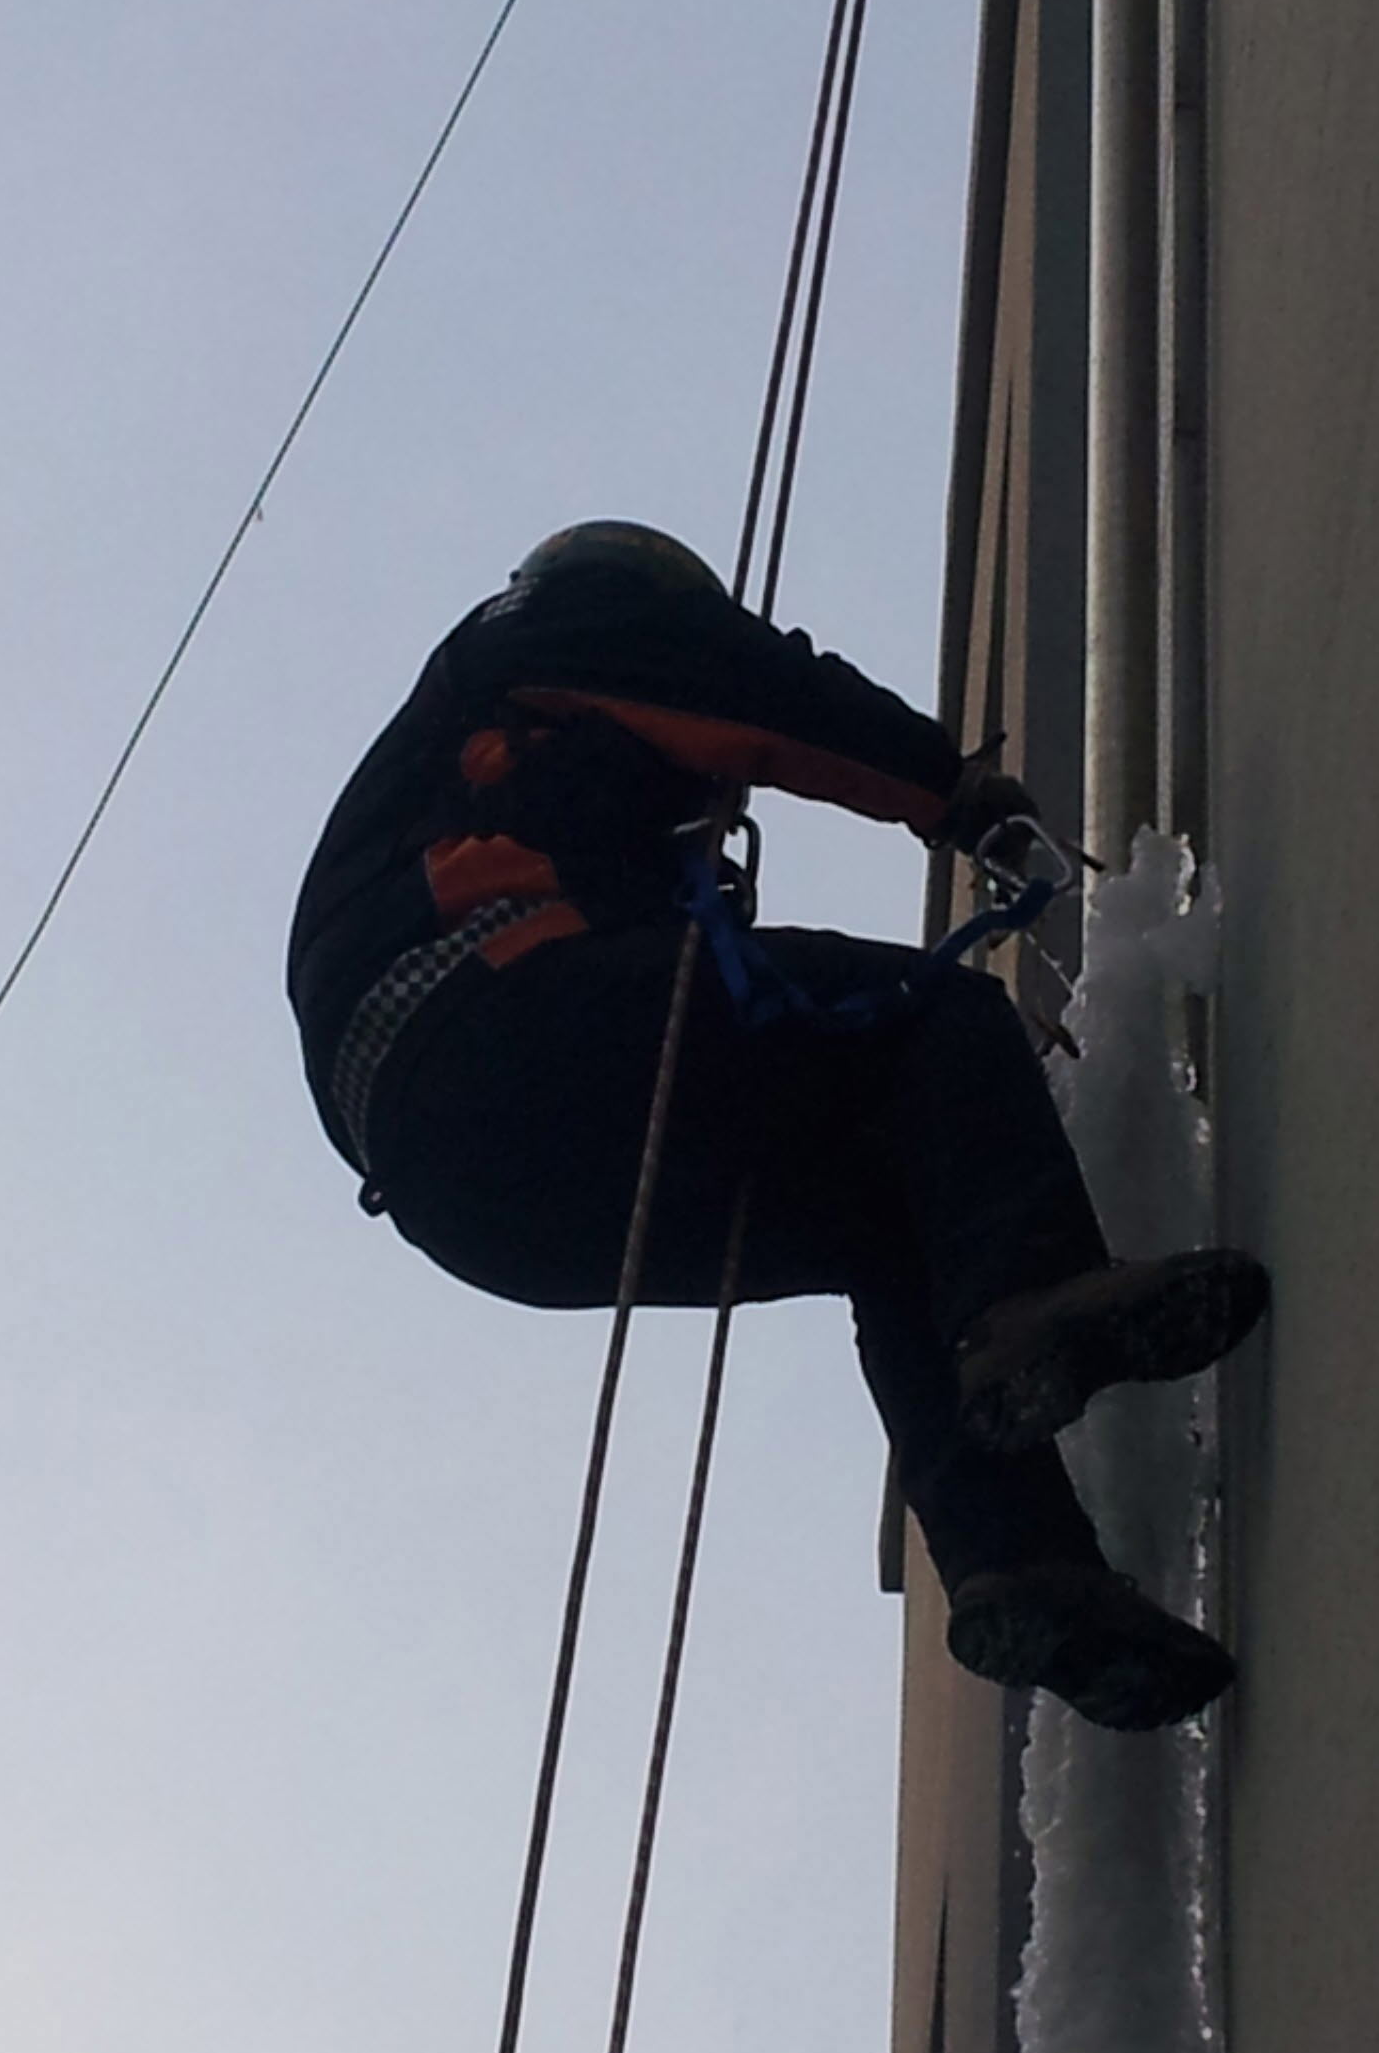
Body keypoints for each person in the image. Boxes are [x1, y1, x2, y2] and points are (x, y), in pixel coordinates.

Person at [287, 520, 1267, 1730]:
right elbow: (751, 684)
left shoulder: (455, 786)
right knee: (932, 1017)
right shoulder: (540, 636)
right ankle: (1037, 1292)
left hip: (478, 1207)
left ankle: (1022, 1564)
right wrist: (950, 791)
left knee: (883, 1213)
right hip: (502, 1022)